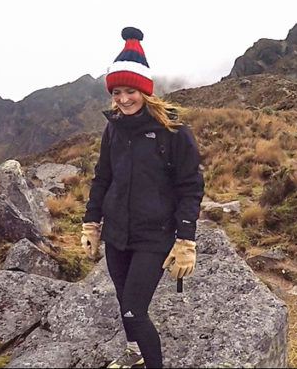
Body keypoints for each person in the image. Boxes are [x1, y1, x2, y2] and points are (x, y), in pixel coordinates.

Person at [81, 27, 205, 369]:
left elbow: (190, 187)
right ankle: (135, 354)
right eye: (117, 92)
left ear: (145, 91)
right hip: (117, 233)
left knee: (135, 310)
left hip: (154, 235)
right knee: (125, 303)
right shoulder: (114, 128)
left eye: (130, 91)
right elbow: (102, 177)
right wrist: (92, 224)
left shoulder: (174, 132)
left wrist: (185, 241)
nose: (123, 99)